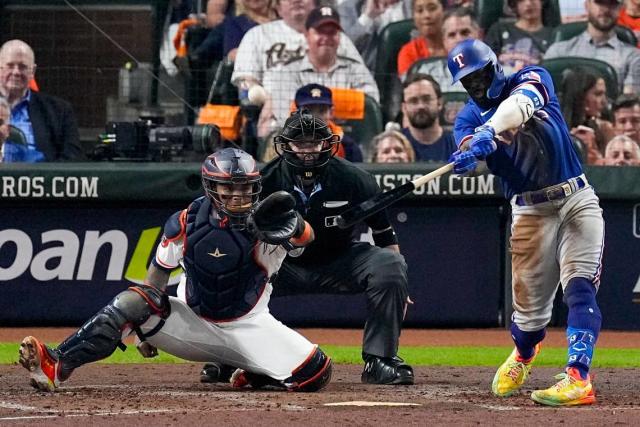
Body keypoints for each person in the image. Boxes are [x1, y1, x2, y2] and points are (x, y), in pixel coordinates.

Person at [18, 147, 332, 393]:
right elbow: (157, 275)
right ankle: (57, 364)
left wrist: (297, 225)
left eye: (245, 187)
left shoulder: (270, 220)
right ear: (212, 186)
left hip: (248, 325)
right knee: (133, 301)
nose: (238, 194)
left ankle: (257, 372)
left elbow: (305, 239)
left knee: (316, 372)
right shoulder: (186, 220)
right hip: (191, 322)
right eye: (229, 187)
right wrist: (144, 329)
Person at [203, 110, 414, 386]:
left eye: (314, 142)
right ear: (286, 145)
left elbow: (384, 233)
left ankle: (380, 360)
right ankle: (227, 357)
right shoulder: (264, 180)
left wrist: (399, 285)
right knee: (235, 265)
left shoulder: (355, 179)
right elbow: (237, 235)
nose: (307, 150)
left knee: (391, 266)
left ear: (327, 143)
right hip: (280, 264)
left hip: (338, 260)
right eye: (300, 143)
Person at [448, 39, 605, 406]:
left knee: (580, 286)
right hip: (530, 211)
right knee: (530, 319)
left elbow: (521, 105)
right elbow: (467, 142)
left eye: (481, 75)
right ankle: (523, 353)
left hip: (575, 197)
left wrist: (492, 131)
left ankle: (578, 376)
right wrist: (468, 154)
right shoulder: (468, 117)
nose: (477, 85)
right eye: (468, 82)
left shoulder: (533, 76)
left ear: (494, 66)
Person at [259, 6, 379, 132]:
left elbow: (371, 104)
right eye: (320, 31)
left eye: (332, 32)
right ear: (306, 35)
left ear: (339, 37)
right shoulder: (287, 71)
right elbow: (286, 115)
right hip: (300, 140)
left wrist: (311, 104)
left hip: (348, 137)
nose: (326, 37)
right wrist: (347, 105)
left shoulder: (355, 69)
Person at [230, 0, 365, 93]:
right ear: (278, 7)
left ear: (314, 3)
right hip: (277, 118)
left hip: (334, 115)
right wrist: (263, 99)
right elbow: (245, 80)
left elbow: (363, 81)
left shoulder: (336, 37)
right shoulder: (256, 35)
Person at [0, 40, 83, 162]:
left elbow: (73, 158)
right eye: (10, 65)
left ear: (32, 71)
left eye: (23, 67)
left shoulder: (59, 110)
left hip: (39, 179)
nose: (16, 72)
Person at [544, 0, 640, 94]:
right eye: (600, 3)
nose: (606, 9)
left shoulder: (632, 57)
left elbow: (629, 103)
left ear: (620, 9)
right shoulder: (558, 51)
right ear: (587, 5)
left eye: (612, 4)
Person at [407, 7, 481, 92]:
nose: (459, 40)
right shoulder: (427, 73)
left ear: (479, 35)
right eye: (452, 35)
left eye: (465, 32)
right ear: (444, 41)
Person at [293, 83, 364, 162]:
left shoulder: (347, 146)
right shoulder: (285, 142)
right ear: (297, 113)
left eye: (322, 110)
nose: (315, 117)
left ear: (331, 113)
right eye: (308, 111)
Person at [558, 67, 616, 164]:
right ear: (580, 96)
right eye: (598, 94)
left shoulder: (604, 129)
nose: (604, 102)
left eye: (604, 94)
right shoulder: (553, 130)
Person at [339, 0, 413, 70]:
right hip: (366, 75)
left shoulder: (414, 3)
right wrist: (367, 17)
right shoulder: (348, 8)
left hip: (407, 70)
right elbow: (344, 48)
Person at [484, 0, 554, 75]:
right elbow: (486, 63)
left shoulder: (554, 34)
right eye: (521, 0)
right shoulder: (498, 30)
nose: (528, 3)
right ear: (515, 4)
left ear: (542, 2)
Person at [401, 73, 456, 161]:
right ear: (404, 108)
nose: (421, 106)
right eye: (413, 101)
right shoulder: (394, 148)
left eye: (426, 99)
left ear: (439, 103)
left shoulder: (458, 144)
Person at [396, 0, 446, 78]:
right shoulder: (408, 52)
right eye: (420, 10)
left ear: (444, 11)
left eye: (432, 8)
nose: (426, 15)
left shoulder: (458, 45)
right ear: (414, 18)